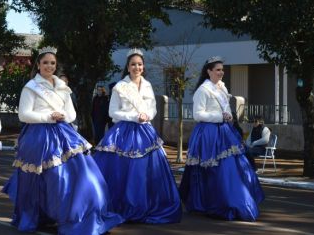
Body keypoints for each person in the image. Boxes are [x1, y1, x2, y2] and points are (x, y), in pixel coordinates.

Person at [2, 46, 123, 234]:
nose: (49, 66)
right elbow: (24, 115)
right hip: (39, 135)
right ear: (38, 65)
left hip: (64, 133)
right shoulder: (30, 87)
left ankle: (80, 214)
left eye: (52, 63)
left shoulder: (62, 87)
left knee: (82, 173)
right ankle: (47, 214)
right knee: (51, 179)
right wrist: (50, 115)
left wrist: (62, 116)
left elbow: (71, 113)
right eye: (45, 63)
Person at [93, 48, 182, 224]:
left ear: (143, 66)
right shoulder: (120, 87)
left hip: (145, 130)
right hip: (124, 131)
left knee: (147, 169)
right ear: (127, 67)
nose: (137, 67)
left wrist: (147, 115)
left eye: (140, 64)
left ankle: (147, 204)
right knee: (124, 170)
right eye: (133, 64)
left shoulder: (147, 85)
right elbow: (113, 112)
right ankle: (123, 204)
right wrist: (134, 116)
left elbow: (153, 108)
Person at [179, 56, 264, 222]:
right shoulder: (203, 90)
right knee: (213, 169)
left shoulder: (222, 87)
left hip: (225, 132)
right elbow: (197, 114)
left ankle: (234, 200)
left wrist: (228, 117)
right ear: (209, 71)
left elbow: (224, 109)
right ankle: (216, 203)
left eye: (222, 69)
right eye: (217, 69)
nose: (221, 72)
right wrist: (220, 116)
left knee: (235, 165)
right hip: (209, 133)